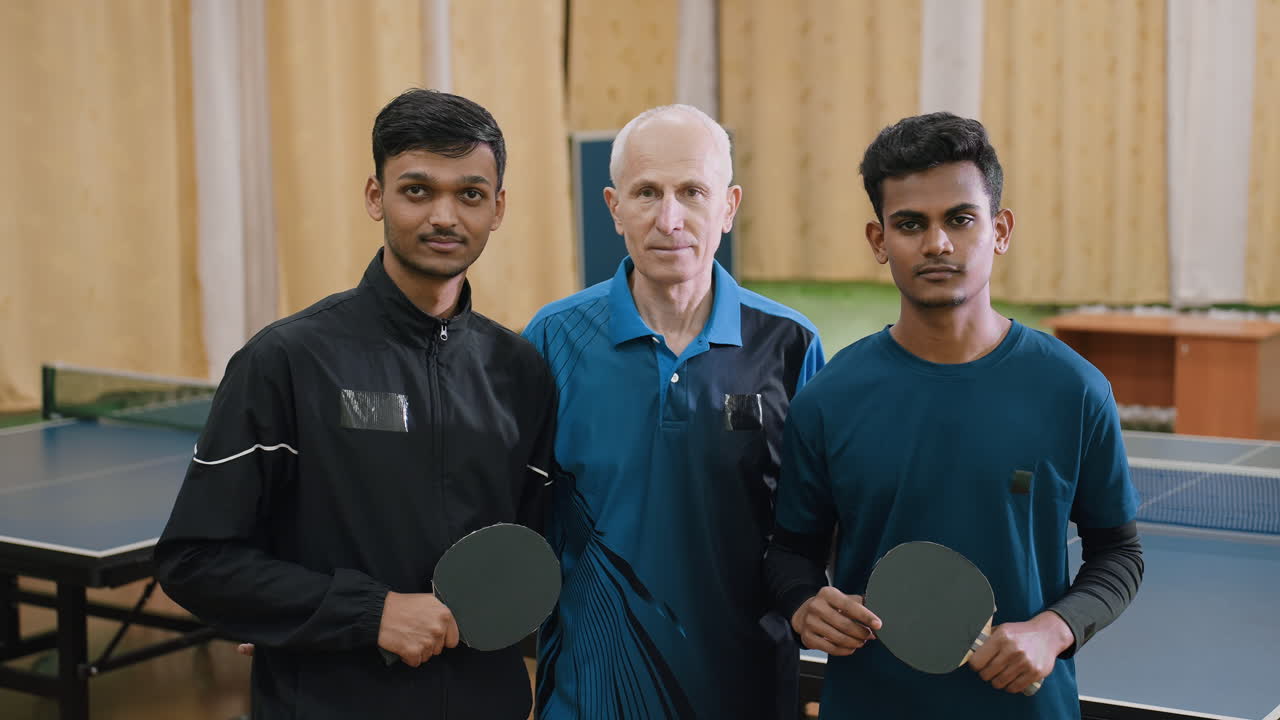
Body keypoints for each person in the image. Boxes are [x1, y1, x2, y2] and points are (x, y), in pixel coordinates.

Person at [154, 89, 557, 719]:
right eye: (417, 190)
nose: (444, 216)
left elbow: (531, 550)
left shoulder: (521, 372)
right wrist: (367, 614)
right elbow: (195, 561)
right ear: (376, 197)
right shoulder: (285, 361)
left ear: (498, 207)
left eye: (470, 194)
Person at [764, 112, 1145, 718]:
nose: (937, 243)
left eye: (960, 219)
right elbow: (790, 553)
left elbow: (1119, 555)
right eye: (910, 224)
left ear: (1000, 229)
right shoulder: (828, 399)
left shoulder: (1074, 390)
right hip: (871, 704)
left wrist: (1053, 629)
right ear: (878, 241)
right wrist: (804, 601)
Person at [522, 104, 825, 719]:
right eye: (646, 193)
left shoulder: (790, 344)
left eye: (692, 191)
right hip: (589, 696)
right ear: (613, 207)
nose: (670, 219)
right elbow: (518, 520)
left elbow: (814, 527)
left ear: (729, 206)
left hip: (748, 692)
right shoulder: (552, 339)